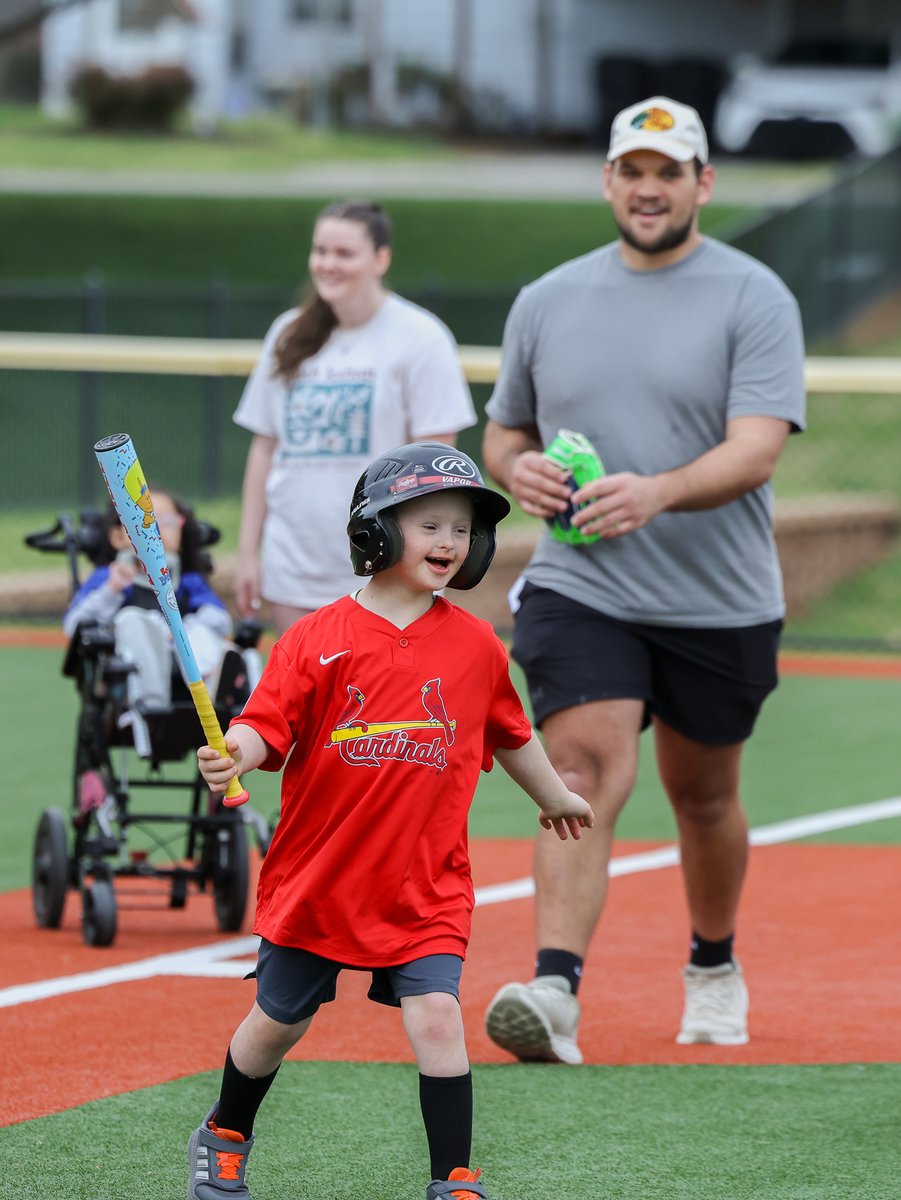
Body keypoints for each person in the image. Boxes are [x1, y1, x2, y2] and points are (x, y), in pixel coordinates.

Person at [480, 95, 806, 1063]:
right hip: (585, 584)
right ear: (608, 182)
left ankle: (712, 965)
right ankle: (553, 990)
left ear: (702, 183)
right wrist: (515, 468)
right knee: (576, 770)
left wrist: (656, 492)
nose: (649, 188)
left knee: (702, 796)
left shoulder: (754, 298)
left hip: (719, 597)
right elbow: (505, 430)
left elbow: (754, 452)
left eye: (670, 172)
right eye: (633, 170)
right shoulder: (546, 299)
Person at [187, 441, 593, 1200]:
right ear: (375, 528)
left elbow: (510, 731)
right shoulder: (316, 638)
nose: (450, 543)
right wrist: (232, 753)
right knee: (276, 1024)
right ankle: (226, 1132)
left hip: (424, 884)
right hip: (322, 877)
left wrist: (554, 795)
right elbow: (263, 726)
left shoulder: (475, 645)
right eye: (430, 525)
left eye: (463, 529)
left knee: (438, 1015)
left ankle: (453, 1181)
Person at [232, 199, 477, 637]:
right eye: (320, 251)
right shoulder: (288, 333)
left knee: (375, 705)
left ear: (381, 259)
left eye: (344, 253)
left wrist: (413, 561)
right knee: (306, 703)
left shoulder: (421, 337)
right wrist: (248, 552)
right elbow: (264, 448)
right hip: (296, 565)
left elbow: (439, 469)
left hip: (381, 571)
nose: (328, 264)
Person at [63, 490, 253, 755]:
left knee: (201, 629)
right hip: (131, 672)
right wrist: (111, 591)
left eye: (167, 522)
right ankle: (147, 708)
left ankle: (215, 694)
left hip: (185, 661)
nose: (156, 530)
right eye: (144, 520)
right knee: (133, 621)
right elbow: (75, 625)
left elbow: (220, 619)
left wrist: (182, 629)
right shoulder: (110, 579)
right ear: (118, 537)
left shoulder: (188, 583)